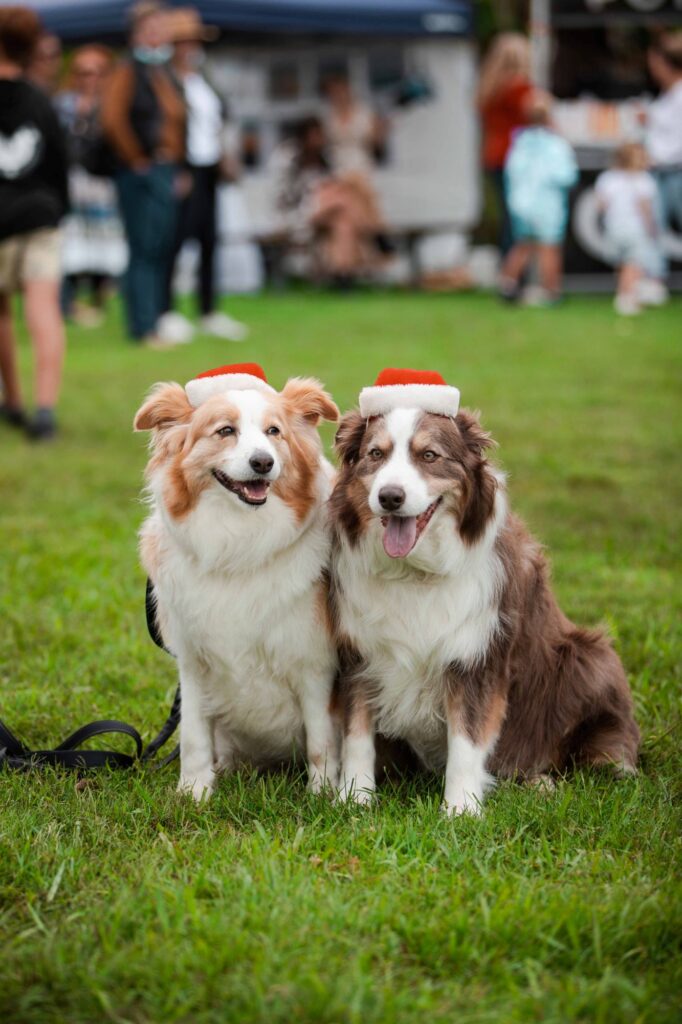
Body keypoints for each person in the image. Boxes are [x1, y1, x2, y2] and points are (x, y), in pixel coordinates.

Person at [159, 7, 248, 344]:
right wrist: (178, 166)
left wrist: (225, 156)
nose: (191, 47)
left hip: (209, 165)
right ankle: (166, 310)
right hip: (185, 167)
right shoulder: (166, 80)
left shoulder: (202, 77)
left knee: (210, 239)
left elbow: (218, 121)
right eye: (184, 41)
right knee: (177, 239)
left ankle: (209, 310)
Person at [0, 7, 68, 441]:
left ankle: (14, 402)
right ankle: (45, 410)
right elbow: (61, 165)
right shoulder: (40, 99)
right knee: (43, 313)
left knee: (2, 313)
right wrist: (58, 208)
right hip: (40, 217)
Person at [100, 0, 186, 346]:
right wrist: (135, 157)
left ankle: (156, 318)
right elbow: (113, 119)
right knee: (143, 248)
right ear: (137, 33)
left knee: (160, 246)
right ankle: (143, 325)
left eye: (160, 27)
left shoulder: (164, 71)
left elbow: (178, 121)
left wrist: (178, 165)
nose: (157, 34)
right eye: (151, 28)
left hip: (166, 168)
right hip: (141, 171)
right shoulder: (126, 69)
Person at [55, 44, 126, 326]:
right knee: (71, 241)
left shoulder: (112, 104)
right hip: (71, 181)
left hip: (103, 182)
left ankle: (98, 299)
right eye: (83, 72)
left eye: (97, 72)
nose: (90, 79)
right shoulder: (62, 104)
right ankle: (70, 301)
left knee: (104, 240)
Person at [272, 116, 381, 286]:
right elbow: (288, 197)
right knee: (345, 195)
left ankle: (343, 274)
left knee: (343, 220)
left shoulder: (327, 158)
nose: (319, 140)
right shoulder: (288, 158)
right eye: (315, 136)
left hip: (327, 213)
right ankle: (377, 235)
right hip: (297, 215)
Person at [499, 91, 578, 306]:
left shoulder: (520, 142)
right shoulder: (556, 144)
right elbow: (566, 175)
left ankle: (507, 285)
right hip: (547, 203)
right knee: (548, 247)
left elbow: (511, 172)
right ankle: (551, 291)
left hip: (521, 202)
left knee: (523, 245)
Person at [477, 33, 533, 257]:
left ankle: (508, 270)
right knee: (517, 218)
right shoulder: (519, 89)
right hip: (514, 157)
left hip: (493, 155)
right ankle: (513, 275)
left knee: (507, 216)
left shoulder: (488, 88)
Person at [595, 142, 665, 316]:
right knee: (633, 264)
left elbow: (601, 205)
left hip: (613, 228)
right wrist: (651, 229)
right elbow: (645, 209)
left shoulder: (607, 178)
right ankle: (626, 298)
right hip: (635, 229)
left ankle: (625, 291)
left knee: (622, 264)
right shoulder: (644, 180)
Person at [645, 33, 682, 272]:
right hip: (662, 171)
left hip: (675, 172)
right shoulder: (667, 94)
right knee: (653, 227)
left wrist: (657, 156)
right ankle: (653, 278)